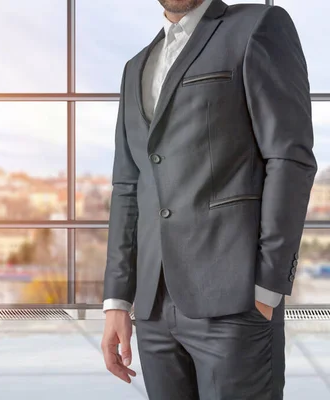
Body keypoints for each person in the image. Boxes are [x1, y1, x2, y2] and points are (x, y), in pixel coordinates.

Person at [100, 0, 317, 399]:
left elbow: (289, 158)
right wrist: (117, 299)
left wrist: (267, 285)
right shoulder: (135, 68)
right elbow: (128, 187)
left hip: (234, 301)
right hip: (153, 309)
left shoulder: (257, 27)